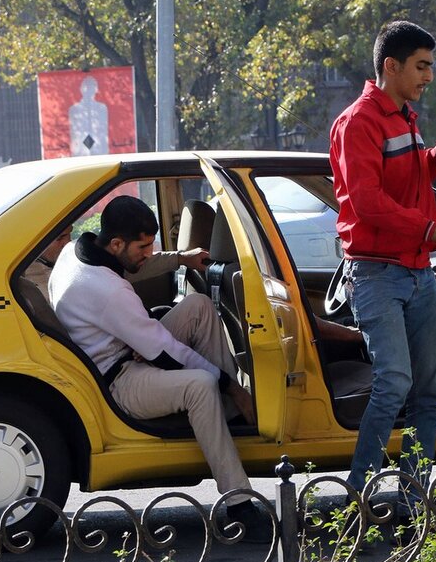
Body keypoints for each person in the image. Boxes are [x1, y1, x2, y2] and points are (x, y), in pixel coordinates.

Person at [330, 20, 436, 499]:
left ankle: (414, 500)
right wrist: (435, 230)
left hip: (419, 274)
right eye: (421, 67)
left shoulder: (405, 117)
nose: (429, 77)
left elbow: (406, 177)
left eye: (431, 67)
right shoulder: (357, 122)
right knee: (395, 382)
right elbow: (367, 202)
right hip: (377, 274)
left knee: (430, 392)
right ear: (391, 66)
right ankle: (357, 499)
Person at [49, 195, 271, 540]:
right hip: (119, 380)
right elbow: (163, 352)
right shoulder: (107, 291)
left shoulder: (79, 251)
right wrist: (232, 385)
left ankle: (224, 417)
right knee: (201, 384)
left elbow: (136, 266)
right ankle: (239, 502)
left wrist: (181, 259)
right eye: (143, 246)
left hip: (126, 346)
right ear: (117, 243)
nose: (148, 252)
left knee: (197, 305)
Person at [25, 223, 208, 305]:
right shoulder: (26, 283)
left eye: (69, 234)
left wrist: (181, 258)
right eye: (60, 238)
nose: (68, 242)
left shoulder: (70, 259)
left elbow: (133, 266)